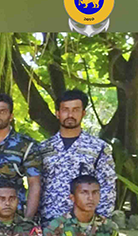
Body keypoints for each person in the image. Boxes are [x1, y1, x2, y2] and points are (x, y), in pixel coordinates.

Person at [39, 89, 116, 222]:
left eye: (75, 110)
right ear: (58, 113)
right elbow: (37, 185)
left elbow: (107, 186)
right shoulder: (43, 148)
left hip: (84, 224)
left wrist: (101, 222)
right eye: (65, 110)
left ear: (83, 113)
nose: (70, 114)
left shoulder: (98, 148)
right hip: (49, 221)